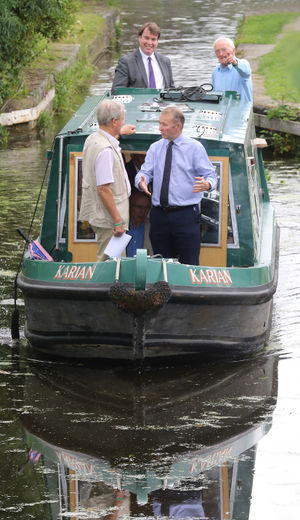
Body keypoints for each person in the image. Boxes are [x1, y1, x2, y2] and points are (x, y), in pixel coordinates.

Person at [135, 106, 217, 265]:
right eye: (159, 123)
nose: (160, 128)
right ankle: (165, 289)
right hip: (158, 215)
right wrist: (141, 180)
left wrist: (207, 185)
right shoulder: (155, 148)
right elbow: (145, 172)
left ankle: (188, 289)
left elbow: (211, 175)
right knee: (161, 263)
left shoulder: (195, 148)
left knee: (189, 263)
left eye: (164, 124)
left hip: (185, 215)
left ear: (177, 126)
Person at [79, 99, 135, 261]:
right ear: (114, 121)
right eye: (122, 119)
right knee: (109, 263)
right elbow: (103, 188)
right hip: (109, 221)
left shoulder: (93, 139)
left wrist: (119, 132)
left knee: (111, 260)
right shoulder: (105, 151)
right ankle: (103, 286)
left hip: (100, 215)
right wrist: (117, 221)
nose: (123, 121)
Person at [111, 22, 174, 95]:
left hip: (163, 105)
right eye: (146, 38)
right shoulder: (126, 62)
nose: (149, 42)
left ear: (157, 42)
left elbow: (171, 89)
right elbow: (116, 91)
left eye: (153, 39)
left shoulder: (165, 61)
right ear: (139, 38)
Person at [212, 37, 253, 102]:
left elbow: (246, 72)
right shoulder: (216, 71)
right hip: (222, 110)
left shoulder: (243, 65)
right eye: (217, 51)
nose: (221, 54)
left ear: (233, 51)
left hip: (241, 110)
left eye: (224, 50)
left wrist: (235, 63)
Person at [126, 189, 153, 257]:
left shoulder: (152, 228)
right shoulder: (121, 227)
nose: (142, 211)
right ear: (130, 206)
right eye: (139, 207)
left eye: (146, 208)